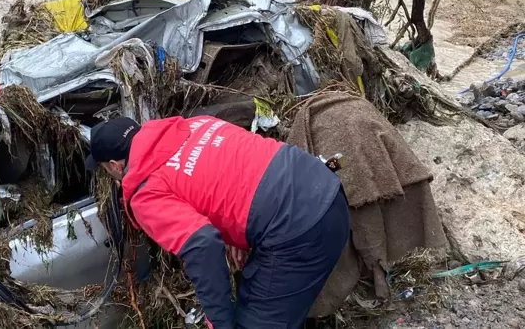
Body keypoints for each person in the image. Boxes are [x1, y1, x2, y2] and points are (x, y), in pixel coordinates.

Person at [85, 116, 349, 329]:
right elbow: (234, 170)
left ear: (115, 166)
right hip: (324, 187)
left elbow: (202, 247)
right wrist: (236, 232)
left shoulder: (146, 193)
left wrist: (220, 323)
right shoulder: (195, 124)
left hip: (299, 230)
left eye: (106, 171)